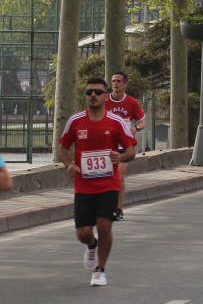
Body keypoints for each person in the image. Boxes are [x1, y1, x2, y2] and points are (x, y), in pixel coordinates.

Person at [58, 77, 137, 286]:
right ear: (85, 96)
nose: (93, 95)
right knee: (83, 233)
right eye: (89, 92)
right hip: (83, 185)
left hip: (108, 184)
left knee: (104, 225)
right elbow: (63, 148)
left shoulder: (116, 121)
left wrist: (120, 157)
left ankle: (100, 269)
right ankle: (91, 245)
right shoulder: (75, 121)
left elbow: (131, 150)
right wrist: (68, 165)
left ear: (105, 96)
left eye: (98, 92)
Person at [104, 71, 145, 221]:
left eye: (119, 81)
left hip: (124, 144)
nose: (115, 84)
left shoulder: (132, 102)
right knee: (105, 177)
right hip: (107, 144)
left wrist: (136, 128)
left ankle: (118, 209)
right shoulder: (105, 100)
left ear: (125, 84)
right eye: (113, 81)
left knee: (119, 176)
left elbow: (142, 122)